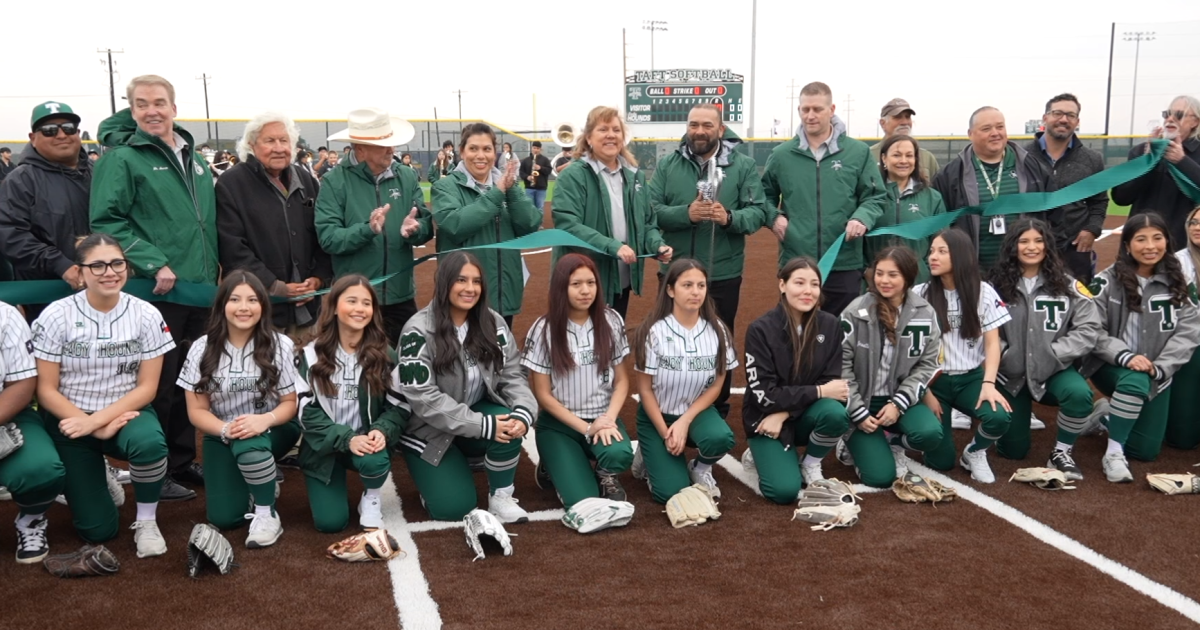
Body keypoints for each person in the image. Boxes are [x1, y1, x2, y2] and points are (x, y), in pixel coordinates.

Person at [90, 74, 216, 497]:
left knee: (188, 379)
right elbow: (106, 221)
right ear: (131, 111)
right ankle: (154, 468)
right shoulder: (122, 158)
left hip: (198, 289)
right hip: (157, 291)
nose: (152, 111)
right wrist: (152, 260)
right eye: (141, 104)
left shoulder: (194, 158)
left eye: (159, 102)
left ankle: (180, 461)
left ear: (174, 108)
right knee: (157, 383)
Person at [32, 233, 174, 557]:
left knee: (150, 443)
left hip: (126, 412)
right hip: (70, 420)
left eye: (117, 263)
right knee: (98, 531)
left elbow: (147, 388)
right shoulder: (56, 315)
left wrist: (97, 422)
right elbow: (46, 390)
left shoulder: (146, 313)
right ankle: (100, 477)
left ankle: (147, 521)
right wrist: (90, 425)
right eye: (97, 265)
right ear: (80, 272)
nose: (109, 272)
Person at [396, 251, 536, 524]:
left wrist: (523, 411)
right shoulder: (417, 330)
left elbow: (512, 373)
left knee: (508, 422)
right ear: (445, 283)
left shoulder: (492, 322)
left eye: (476, 281)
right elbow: (424, 398)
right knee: (454, 508)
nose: (470, 288)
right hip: (428, 429)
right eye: (461, 280)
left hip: (472, 416)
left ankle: (501, 496)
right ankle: (437, 480)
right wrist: (482, 425)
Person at [649, 103, 767, 417]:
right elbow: (649, 210)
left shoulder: (742, 166)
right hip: (675, 273)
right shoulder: (668, 165)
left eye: (707, 125)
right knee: (668, 339)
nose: (699, 131)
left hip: (722, 273)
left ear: (721, 129)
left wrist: (729, 217)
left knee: (719, 341)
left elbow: (758, 212)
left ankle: (717, 408)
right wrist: (685, 214)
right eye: (693, 125)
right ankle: (669, 406)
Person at [178, 272, 301, 546]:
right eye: (235, 299)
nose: (244, 307)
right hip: (221, 431)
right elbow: (197, 411)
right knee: (224, 518)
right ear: (222, 305)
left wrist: (264, 420)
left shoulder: (281, 344)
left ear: (263, 306)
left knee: (250, 444)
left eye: (252, 300)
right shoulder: (201, 347)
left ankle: (266, 513)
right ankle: (258, 479)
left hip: (274, 427)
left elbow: (290, 404)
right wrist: (226, 429)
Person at [1080, 213, 1200, 482]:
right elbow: (1091, 330)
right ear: (1127, 245)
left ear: (1167, 241)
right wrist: (1125, 356)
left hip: (1157, 372)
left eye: (1157, 238)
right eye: (1141, 240)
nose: (1150, 246)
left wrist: (1162, 367)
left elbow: (1189, 331)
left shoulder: (1180, 280)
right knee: (1134, 381)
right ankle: (1113, 453)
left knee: (1144, 451)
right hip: (1113, 366)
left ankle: (1106, 416)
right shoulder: (1107, 280)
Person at [987, 219, 1103, 479]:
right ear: (1013, 246)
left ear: (1048, 246)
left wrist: (1055, 353)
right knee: (1013, 452)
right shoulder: (993, 287)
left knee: (1079, 394)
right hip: (1011, 374)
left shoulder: (1068, 285)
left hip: (1053, 370)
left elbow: (1089, 328)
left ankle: (1062, 451)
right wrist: (1006, 354)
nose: (1032, 247)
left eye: (1039, 241)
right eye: (1024, 241)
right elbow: (979, 330)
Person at [761, 81, 888, 316]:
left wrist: (862, 217)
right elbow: (763, 196)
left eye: (817, 109)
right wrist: (774, 217)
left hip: (843, 259)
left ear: (832, 110)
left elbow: (875, 196)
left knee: (844, 329)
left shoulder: (857, 152)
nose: (810, 115)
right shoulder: (781, 155)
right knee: (796, 328)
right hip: (797, 261)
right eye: (805, 109)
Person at [295, 275, 409, 532]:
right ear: (334, 307)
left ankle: (371, 497)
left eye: (367, 303)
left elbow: (399, 406)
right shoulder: (310, 356)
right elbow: (305, 413)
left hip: (366, 443)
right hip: (323, 447)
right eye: (352, 301)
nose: (360, 309)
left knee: (375, 461)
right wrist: (347, 438)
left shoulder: (385, 355)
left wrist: (381, 430)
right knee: (330, 523)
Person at [315, 108, 433, 345]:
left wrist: (416, 229)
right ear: (360, 149)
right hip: (355, 299)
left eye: (391, 143)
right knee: (357, 363)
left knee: (404, 362)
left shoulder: (407, 176)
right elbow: (328, 237)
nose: (392, 150)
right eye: (384, 145)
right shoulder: (334, 182)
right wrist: (366, 230)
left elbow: (426, 224)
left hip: (400, 296)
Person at [522, 254, 633, 506]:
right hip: (559, 424)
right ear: (561, 287)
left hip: (601, 417)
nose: (585, 291)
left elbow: (621, 381)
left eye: (591, 283)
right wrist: (586, 428)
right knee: (582, 501)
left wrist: (608, 420)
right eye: (576, 284)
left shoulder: (612, 320)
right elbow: (543, 395)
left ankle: (604, 473)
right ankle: (552, 463)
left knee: (619, 454)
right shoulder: (543, 329)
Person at [630, 259, 737, 504]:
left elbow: (716, 385)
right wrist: (665, 433)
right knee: (670, 493)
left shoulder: (718, 330)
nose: (695, 292)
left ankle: (699, 468)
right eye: (687, 285)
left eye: (701, 285)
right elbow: (645, 390)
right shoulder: (653, 331)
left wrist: (685, 420)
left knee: (721, 438)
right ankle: (648, 454)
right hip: (657, 415)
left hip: (696, 412)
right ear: (670, 290)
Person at [741, 257, 849, 501]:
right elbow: (766, 395)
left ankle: (810, 462)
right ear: (782, 285)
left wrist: (785, 413)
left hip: (792, 415)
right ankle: (758, 453)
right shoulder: (760, 329)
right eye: (799, 283)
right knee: (783, 491)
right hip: (765, 418)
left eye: (814, 284)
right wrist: (818, 392)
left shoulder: (830, 324)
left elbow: (832, 384)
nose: (808, 291)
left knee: (834, 412)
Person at [552, 106, 672, 318]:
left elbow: (647, 223)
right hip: (582, 283)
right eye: (603, 129)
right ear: (588, 137)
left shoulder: (635, 176)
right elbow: (567, 225)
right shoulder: (573, 175)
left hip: (620, 281)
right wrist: (613, 246)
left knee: (613, 336)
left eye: (616, 130)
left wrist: (657, 245)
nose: (611, 135)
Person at [217, 112, 331, 332]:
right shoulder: (232, 183)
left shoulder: (305, 179)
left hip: (308, 311)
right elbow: (231, 247)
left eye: (284, 140)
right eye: (270, 141)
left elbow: (322, 233)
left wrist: (318, 278)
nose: (279, 148)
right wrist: (273, 286)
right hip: (260, 315)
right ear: (252, 145)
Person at [838, 247, 943, 487]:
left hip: (899, 400)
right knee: (880, 478)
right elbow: (840, 366)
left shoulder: (925, 312)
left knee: (930, 434)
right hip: (861, 401)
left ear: (908, 277)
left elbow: (928, 365)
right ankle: (848, 442)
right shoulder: (855, 311)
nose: (884, 280)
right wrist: (857, 412)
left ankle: (893, 442)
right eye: (880, 273)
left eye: (893, 275)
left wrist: (898, 404)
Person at [918, 228, 1013, 483]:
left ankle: (975, 451)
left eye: (942, 251)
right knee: (941, 462)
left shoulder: (984, 291)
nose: (932, 257)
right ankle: (898, 440)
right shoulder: (919, 294)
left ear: (960, 255)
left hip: (970, 378)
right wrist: (924, 392)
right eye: (931, 251)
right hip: (934, 382)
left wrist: (988, 383)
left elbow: (992, 344)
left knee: (999, 416)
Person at [432, 123, 541, 326]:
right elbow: (456, 225)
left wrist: (511, 190)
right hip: (464, 298)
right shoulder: (445, 187)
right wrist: (497, 193)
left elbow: (530, 224)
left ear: (494, 152)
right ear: (462, 151)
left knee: (500, 345)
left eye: (487, 149)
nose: (480, 155)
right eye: (473, 148)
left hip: (503, 294)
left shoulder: (507, 186)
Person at [0, 101, 93, 322]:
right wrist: (59, 264)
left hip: (103, 287)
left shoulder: (99, 172)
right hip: (47, 295)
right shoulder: (21, 179)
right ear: (33, 138)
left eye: (68, 128)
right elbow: (10, 234)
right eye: (49, 130)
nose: (61, 135)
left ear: (78, 133)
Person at [931, 106, 1054, 272]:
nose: (995, 133)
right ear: (970, 134)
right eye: (986, 129)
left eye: (1000, 127)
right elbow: (940, 228)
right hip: (973, 273)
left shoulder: (1032, 167)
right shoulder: (950, 175)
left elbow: (1054, 217)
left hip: (1024, 272)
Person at [0, 299, 66, 563]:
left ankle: (31, 519)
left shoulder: (5, 315)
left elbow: (22, 385)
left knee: (41, 469)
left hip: (5, 412)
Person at [1025, 94, 1108, 282]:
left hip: (1074, 248)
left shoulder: (1092, 159)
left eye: (1071, 115)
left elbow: (1099, 202)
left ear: (1077, 122)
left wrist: (1092, 229)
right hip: (1030, 245)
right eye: (1057, 113)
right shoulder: (1022, 156)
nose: (1064, 119)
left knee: (1076, 299)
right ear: (1045, 118)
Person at [1111, 96, 1200, 248]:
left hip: (1184, 245)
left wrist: (1182, 161)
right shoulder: (1141, 151)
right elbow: (1121, 197)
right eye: (1167, 114)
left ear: (1195, 122)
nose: (1170, 119)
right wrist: (1146, 163)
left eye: (1179, 115)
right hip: (1141, 243)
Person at [869, 134, 946, 283]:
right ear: (884, 158)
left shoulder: (932, 198)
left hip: (919, 282)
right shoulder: (869, 194)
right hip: (879, 282)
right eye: (897, 155)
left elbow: (941, 242)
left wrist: (925, 272)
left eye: (909, 155)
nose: (903, 161)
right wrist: (868, 270)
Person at [1167, 205, 1200, 450]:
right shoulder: (1178, 262)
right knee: (1183, 439)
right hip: (1189, 347)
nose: (1197, 228)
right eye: (1193, 223)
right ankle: (1108, 415)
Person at [869, 98, 940, 180]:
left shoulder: (926, 157)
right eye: (898, 117)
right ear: (883, 123)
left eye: (907, 117)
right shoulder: (869, 156)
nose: (905, 122)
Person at [519, 141, 553, 212]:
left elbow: (549, 171)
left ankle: (539, 220)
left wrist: (540, 168)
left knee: (540, 208)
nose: (536, 150)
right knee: (530, 208)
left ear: (540, 149)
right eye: (534, 148)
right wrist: (527, 177)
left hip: (541, 189)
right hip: (529, 188)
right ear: (531, 148)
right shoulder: (526, 160)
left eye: (538, 148)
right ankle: (532, 220)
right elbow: (521, 172)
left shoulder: (545, 160)